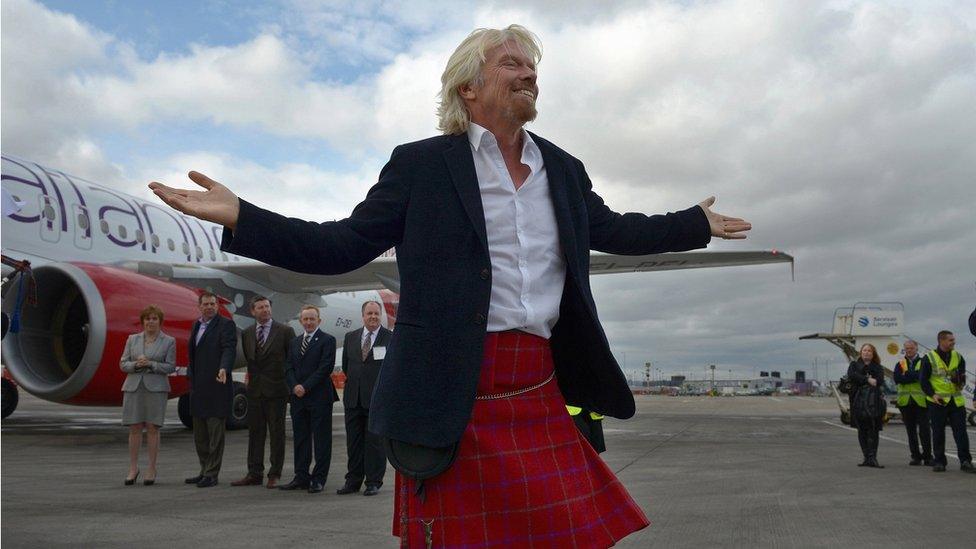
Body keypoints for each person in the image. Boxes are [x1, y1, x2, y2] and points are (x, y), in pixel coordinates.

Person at [150, 24, 751, 547]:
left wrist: (693, 222)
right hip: (446, 396)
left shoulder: (562, 170)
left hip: (538, 386)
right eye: (511, 63)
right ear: (469, 87)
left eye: (532, 66)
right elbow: (339, 246)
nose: (529, 74)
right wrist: (242, 217)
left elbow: (616, 229)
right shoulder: (421, 166)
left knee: (568, 535)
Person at [231, 295, 296, 489]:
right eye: (260, 307)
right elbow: (252, 362)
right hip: (255, 392)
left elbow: (291, 361)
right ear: (253, 311)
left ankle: (275, 473)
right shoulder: (248, 333)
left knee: (277, 434)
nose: (265, 310)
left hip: (277, 390)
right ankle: (254, 473)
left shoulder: (285, 331)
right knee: (255, 434)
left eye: (267, 307)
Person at [279, 305, 339, 494]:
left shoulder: (328, 340)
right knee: (301, 438)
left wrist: (305, 386)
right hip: (298, 398)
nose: (309, 322)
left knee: (321, 440)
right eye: (305, 319)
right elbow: (288, 366)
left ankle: (319, 478)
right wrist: (294, 385)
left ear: (319, 320)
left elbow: (325, 368)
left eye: (312, 319)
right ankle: (301, 476)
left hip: (319, 397)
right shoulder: (295, 342)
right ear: (300, 321)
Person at [337, 300, 392, 496]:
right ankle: (353, 481)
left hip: (376, 400)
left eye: (376, 313)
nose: (373, 317)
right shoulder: (351, 337)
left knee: (375, 443)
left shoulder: (389, 338)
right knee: (354, 442)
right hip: (353, 399)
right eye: (369, 313)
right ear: (363, 315)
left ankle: (373, 481)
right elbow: (346, 366)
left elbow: (392, 370)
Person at [184, 291, 237, 488]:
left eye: (213, 304)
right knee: (200, 436)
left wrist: (224, 367)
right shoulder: (196, 325)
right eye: (205, 304)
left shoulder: (225, 325)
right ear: (200, 306)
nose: (209, 307)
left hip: (217, 386)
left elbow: (229, 348)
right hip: (198, 388)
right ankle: (203, 469)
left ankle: (212, 474)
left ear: (217, 305)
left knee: (215, 435)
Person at [119, 305, 176, 485]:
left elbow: (170, 366)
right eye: (147, 319)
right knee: (134, 427)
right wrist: (136, 365)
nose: (150, 322)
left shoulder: (169, 341)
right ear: (143, 321)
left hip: (156, 388)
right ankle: (133, 468)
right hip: (134, 386)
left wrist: (151, 364)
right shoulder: (132, 339)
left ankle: (151, 468)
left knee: (153, 428)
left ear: (160, 321)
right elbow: (123, 363)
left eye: (154, 319)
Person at [919, 330, 974, 473]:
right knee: (938, 432)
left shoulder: (958, 356)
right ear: (941, 341)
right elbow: (923, 381)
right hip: (938, 402)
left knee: (961, 433)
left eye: (953, 340)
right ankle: (939, 461)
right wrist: (933, 394)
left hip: (956, 401)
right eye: (951, 340)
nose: (953, 343)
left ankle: (966, 461)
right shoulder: (928, 358)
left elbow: (962, 376)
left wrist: (960, 381)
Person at [892, 340, 932, 466]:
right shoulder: (900, 363)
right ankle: (915, 456)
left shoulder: (923, 361)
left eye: (911, 348)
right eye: (907, 348)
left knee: (924, 430)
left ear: (916, 349)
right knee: (911, 431)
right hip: (905, 402)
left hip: (921, 401)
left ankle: (928, 457)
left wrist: (908, 375)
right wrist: (913, 376)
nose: (909, 350)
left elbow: (922, 376)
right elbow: (897, 378)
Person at [847, 343, 886, 468]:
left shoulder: (878, 367)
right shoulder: (854, 365)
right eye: (864, 350)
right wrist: (867, 379)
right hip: (857, 401)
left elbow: (879, 380)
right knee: (861, 430)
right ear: (861, 352)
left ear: (873, 353)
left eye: (869, 351)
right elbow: (852, 375)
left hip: (873, 402)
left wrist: (863, 378)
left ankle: (872, 457)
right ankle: (866, 456)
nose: (867, 352)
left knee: (873, 430)